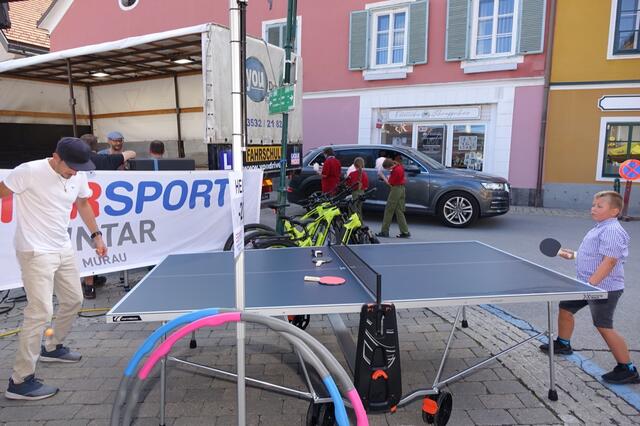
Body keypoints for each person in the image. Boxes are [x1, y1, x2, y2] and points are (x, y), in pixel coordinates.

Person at [0, 137, 107, 400]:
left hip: (62, 247)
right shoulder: (29, 171)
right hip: (34, 250)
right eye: (71, 167)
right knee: (40, 311)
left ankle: (52, 346)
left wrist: (96, 236)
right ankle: (19, 381)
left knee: (74, 300)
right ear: (56, 157)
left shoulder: (77, 173)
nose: (75, 173)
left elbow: (83, 204)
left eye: (79, 168)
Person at [540, 191, 638, 384]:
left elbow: (610, 261)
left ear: (614, 211)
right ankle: (563, 344)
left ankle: (628, 369)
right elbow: (596, 255)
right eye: (593, 204)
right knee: (566, 307)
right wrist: (574, 255)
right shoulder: (601, 227)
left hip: (604, 289)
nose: (593, 208)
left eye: (599, 206)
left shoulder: (612, 230)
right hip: (587, 284)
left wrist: (591, 286)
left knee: (603, 325)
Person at [79, 134, 135, 299]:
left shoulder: (73, 162)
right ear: (96, 147)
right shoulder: (103, 160)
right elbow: (131, 153)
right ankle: (90, 283)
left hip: (82, 210)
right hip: (102, 210)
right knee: (94, 243)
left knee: (85, 245)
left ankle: (90, 284)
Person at [376, 154, 410, 238]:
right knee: (399, 211)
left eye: (387, 169)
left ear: (389, 166)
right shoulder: (399, 166)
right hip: (402, 189)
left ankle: (384, 231)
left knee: (389, 210)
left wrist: (383, 176)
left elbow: (390, 183)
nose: (388, 170)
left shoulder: (395, 171)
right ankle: (405, 231)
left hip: (396, 189)